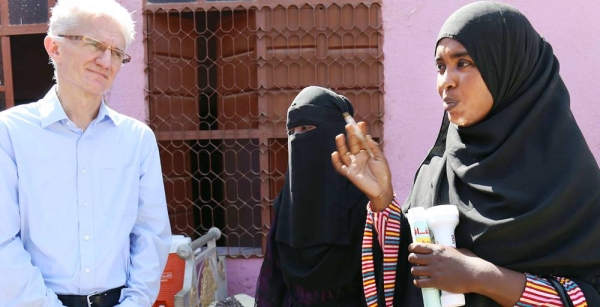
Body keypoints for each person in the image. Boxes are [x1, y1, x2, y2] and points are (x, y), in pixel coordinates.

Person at [331, 2, 600, 306]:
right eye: (440, 66)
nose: (446, 81)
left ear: (508, 68)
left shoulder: (572, 185)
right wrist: (382, 201)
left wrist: (483, 277)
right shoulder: (438, 170)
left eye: (464, 62)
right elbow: (413, 270)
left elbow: (590, 294)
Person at [0, 1, 171, 306]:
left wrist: (135, 302)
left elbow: (151, 236)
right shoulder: (10, 134)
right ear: (54, 47)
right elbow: (3, 243)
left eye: (117, 53)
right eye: (94, 44)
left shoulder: (137, 140)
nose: (106, 61)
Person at [255, 86, 368, 306]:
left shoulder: (364, 204)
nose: (297, 139)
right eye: (292, 132)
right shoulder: (286, 205)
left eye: (306, 128)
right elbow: (273, 279)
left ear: (336, 135)